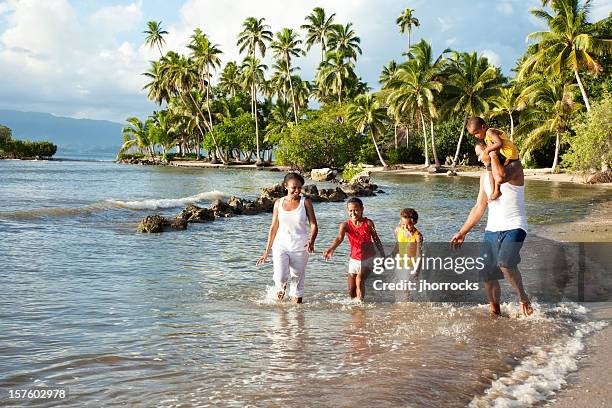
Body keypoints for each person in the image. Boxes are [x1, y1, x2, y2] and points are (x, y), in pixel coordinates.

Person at [450, 144, 533, 318]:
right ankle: (495, 312)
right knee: (487, 273)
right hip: (492, 229)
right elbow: (480, 206)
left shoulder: (514, 167)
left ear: (492, 150)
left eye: (481, 154)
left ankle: (522, 297)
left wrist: (493, 155)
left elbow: (501, 177)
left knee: (505, 263)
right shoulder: (483, 178)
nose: (479, 158)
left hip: (515, 225)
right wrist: (462, 232)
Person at [256, 173, 318, 304]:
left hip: (301, 247)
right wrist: (266, 251)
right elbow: (273, 227)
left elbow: (313, 224)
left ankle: (296, 315)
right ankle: (280, 310)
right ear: (285, 186)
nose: (297, 190)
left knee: (297, 280)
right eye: (294, 187)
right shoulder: (278, 203)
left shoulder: (305, 202)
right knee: (280, 278)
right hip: (280, 246)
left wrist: (312, 241)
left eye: (299, 188)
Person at [323, 197, 385, 301]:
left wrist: (383, 256)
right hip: (354, 259)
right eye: (351, 211)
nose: (353, 213)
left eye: (356, 210)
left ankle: (361, 307)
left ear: (362, 209)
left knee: (359, 279)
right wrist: (331, 248)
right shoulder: (345, 225)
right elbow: (339, 238)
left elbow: (376, 240)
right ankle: (355, 309)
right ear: (348, 211)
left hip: (368, 259)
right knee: (351, 291)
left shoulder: (368, 223)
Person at [467, 116, 520, 202]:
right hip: (504, 154)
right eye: (474, 135)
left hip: (508, 154)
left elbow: (499, 143)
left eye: (477, 133)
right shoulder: (486, 136)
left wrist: (488, 150)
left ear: (483, 127)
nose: (476, 136)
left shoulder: (489, 132)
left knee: (495, 170)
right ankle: (493, 191)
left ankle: (497, 191)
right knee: (491, 168)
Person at [391, 208, 423, 276]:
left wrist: (416, 271)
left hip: (412, 268)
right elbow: (397, 248)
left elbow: (419, 256)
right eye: (404, 224)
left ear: (415, 222)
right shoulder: (398, 231)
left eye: (409, 225)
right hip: (400, 266)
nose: (406, 228)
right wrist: (389, 257)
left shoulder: (417, 237)